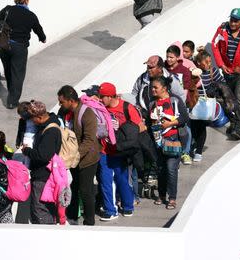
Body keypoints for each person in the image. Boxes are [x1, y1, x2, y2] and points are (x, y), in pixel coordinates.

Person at [0, 0, 46, 109]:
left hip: (3, 45)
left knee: (9, 70)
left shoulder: (7, 10)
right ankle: (12, 101)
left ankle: (12, 94)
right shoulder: (30, 15)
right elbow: (38, 29)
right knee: (18, 74)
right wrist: (43, 38)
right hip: (19, 47)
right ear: (26, 0)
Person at [211, 8, 240, 140]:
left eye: (236, 21)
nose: (232, 23)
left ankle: (239, 128)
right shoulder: (222, 30)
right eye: (231, 20)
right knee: (229, 100)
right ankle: (233, 122)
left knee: (239, 97)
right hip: (228, 71)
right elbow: (214, 46)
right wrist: (221, 65)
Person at [57, 85, 100, 226]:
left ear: (70, 100)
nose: (60, 104)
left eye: (62, 102)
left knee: (86, 191)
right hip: (74, 160)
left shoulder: (87, 113)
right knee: (72, 189)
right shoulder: (67, 113)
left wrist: (75, 156)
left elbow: (89, 140)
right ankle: (72, 219)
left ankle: (89, 223)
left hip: (87, 160)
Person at [98, 82, 138, 220]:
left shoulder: (127, 107)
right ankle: (111, 210)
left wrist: (120, 129)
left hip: (120, 151)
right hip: (104, 150)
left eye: (102, 96)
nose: (100, 99)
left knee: (122, 180)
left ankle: (128, 206)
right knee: (105, 180)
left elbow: (139, 127)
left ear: (110, 96)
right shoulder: (101, 108)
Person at [149, 76, 189, 210]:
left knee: (171, 169)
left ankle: (172, 198)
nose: (152, 90)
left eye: (156, 87)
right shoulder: (152, 103)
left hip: (173, 140)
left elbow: (184, 117)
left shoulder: (174, 100)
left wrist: (170, 123)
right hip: (158, 142)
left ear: (164, 88)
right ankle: (161, 195)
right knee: (160, 169)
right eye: (152, 87)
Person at [22, 101, 61, 224]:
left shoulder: (50, 132)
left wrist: (27, 151)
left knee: (40, 210)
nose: (32, 121)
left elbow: (43, 155)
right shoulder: (46, 126)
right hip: (45, 176)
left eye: (33, 118)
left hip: (43, 177)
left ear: (40, 117)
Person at [132, 55, 186, 119]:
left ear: (160, 68)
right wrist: (137, 108)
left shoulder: (171, 79)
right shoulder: (142, 78)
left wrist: (174, 115)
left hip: (167, 117)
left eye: (151, 67)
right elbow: (135, 94)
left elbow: (180, 96)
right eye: (148, 67)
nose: (148, 70)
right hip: (145, 116)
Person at [165, 44, 192, 164]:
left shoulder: (184, 71)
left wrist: (181, 105)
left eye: (171, 57)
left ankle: (186, 153)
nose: (169, 59)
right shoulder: (164, 69)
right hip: (166, 103)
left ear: (177, 58)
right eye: (167, 57)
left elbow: (185, 90)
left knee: (185, 128)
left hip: (180, 103)